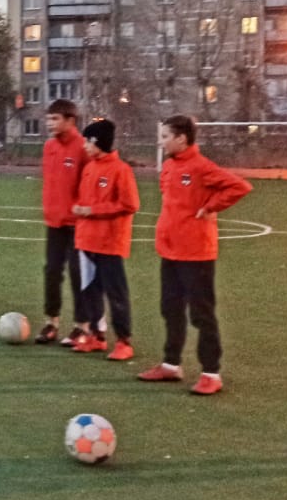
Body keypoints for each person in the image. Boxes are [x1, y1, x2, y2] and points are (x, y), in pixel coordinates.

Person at [137, 114, 253, 393]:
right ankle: (171, 365)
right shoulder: (168, 167)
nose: (161, 142)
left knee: (201, 314)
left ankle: (211, 373)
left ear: (182, 138)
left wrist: (211, 206)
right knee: (170, 309)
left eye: (165, 136)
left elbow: (240, 186)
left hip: (197, 253)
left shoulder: (201, 167)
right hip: (170, 251)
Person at [68, 118, 140, 358]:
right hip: (86, 241)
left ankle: (124, 342)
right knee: (90, 291)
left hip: (110, 242)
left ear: (98, 142)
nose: (84, 146)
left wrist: (92, 210)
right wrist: (80, 209)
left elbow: (130, 204)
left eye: (87, 142)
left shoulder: (121, 170)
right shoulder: (89, 168)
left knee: (116, 293)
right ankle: (96, 336)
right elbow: (85, 201)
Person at [36, 98, 88, 343]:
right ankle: (51, 322)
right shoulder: (49, 147)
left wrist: (83, 209)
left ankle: (81, 325)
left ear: (70, 120)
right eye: (48, 119)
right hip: (54, 222)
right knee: (52, 271)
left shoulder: (83, 147)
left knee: (78, 273)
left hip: (77, 224)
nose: (50, 123)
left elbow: (88, 184)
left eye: (55, 119)